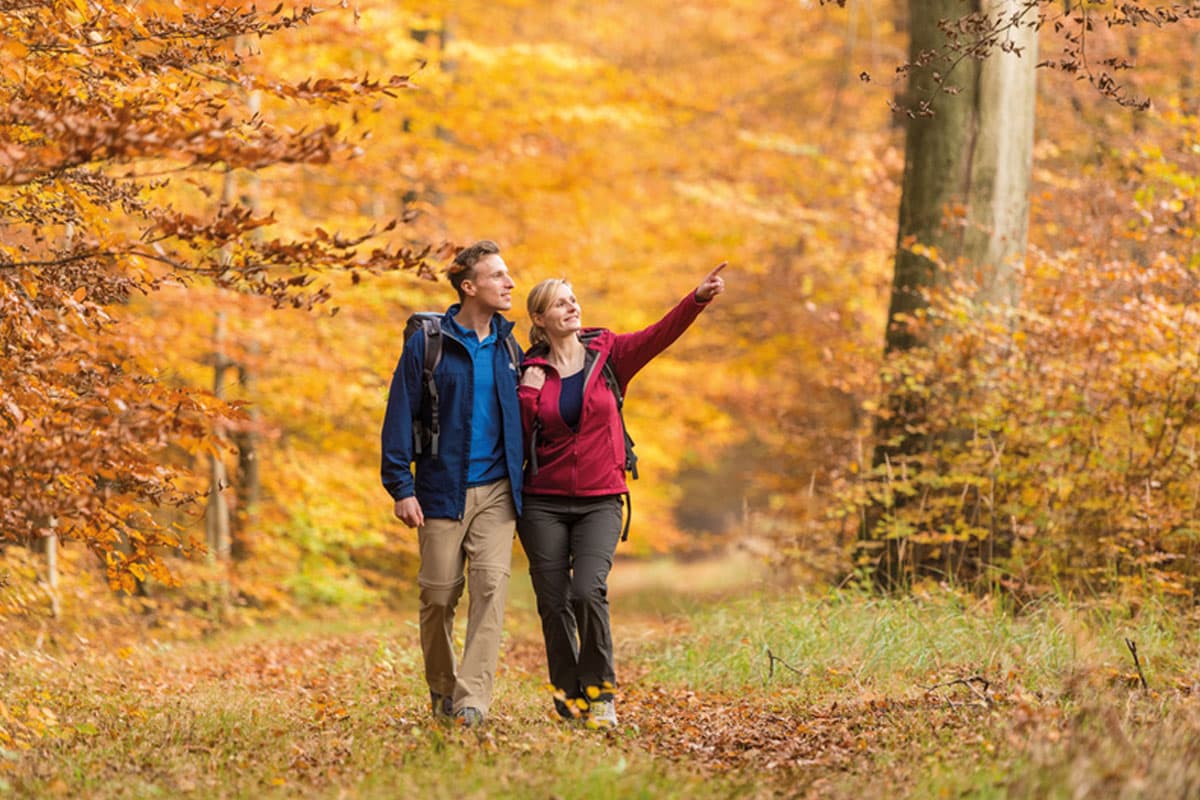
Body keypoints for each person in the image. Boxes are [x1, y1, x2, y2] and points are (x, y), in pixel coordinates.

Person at [517, 263, 728, 729]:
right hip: (543, 502)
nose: (572, 306)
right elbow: (518, 436)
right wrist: (529, 396)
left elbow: (658, 335)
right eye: (559, 302)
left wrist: (696, 299)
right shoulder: (528, 372)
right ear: (540, 318)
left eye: (573, 298)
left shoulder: (608, 354)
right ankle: (568, 698)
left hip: (600, 498)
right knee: (552, 603)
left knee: (586, 590)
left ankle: (601, 695)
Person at [380, 240, 524, 729]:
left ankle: (472, 701)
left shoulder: (510, 347)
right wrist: (401, 486)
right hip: (440, 488)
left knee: (491, 589)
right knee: (439, 595)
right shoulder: (429, 343)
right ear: (469, 286)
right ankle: (442, 690)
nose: (509, 284)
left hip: (498, 490)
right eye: (498, 276)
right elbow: (400, 413)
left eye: (508, 275)